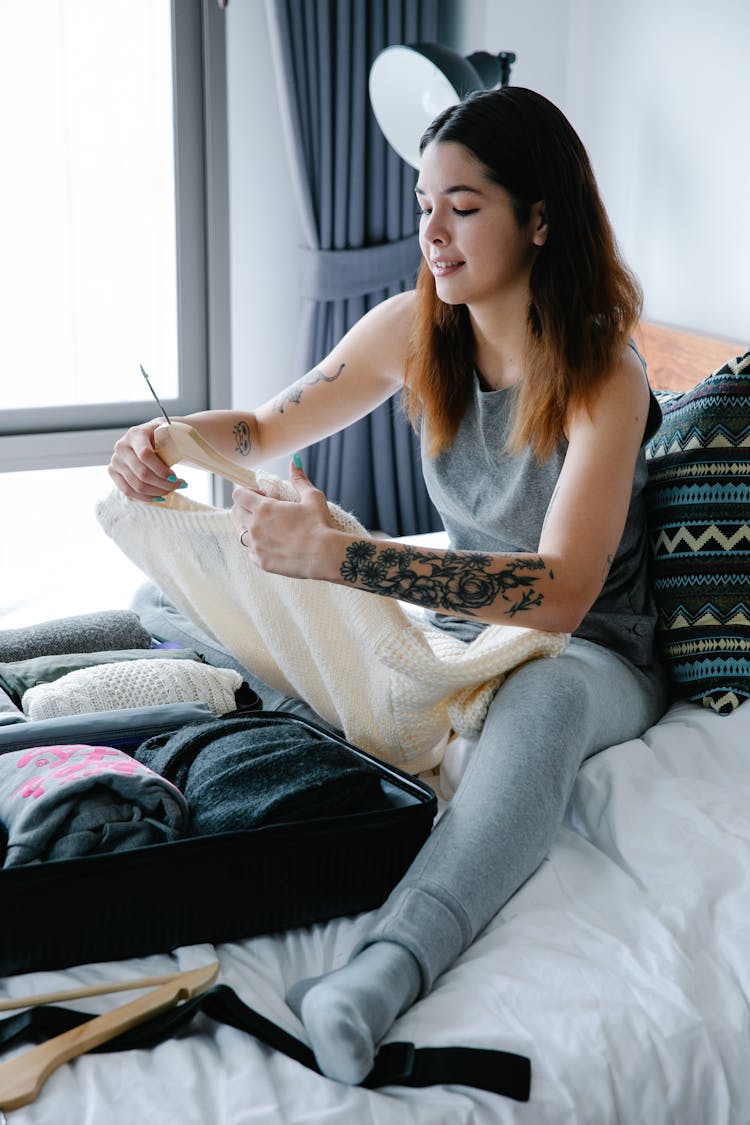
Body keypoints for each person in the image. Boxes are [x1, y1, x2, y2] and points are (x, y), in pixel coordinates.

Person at [108, 86, 669, 1085]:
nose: (434, 235)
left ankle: (384, 968)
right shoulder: (414, 330)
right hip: (453, 627)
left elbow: (561, 594)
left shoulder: (602, 375)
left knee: (536, 702)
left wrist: (340, 556)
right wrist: (171, 439)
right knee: (186, 590)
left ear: (541, 217)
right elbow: (266, 432)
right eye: (424, 206)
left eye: (463, 206)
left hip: (589, 653)